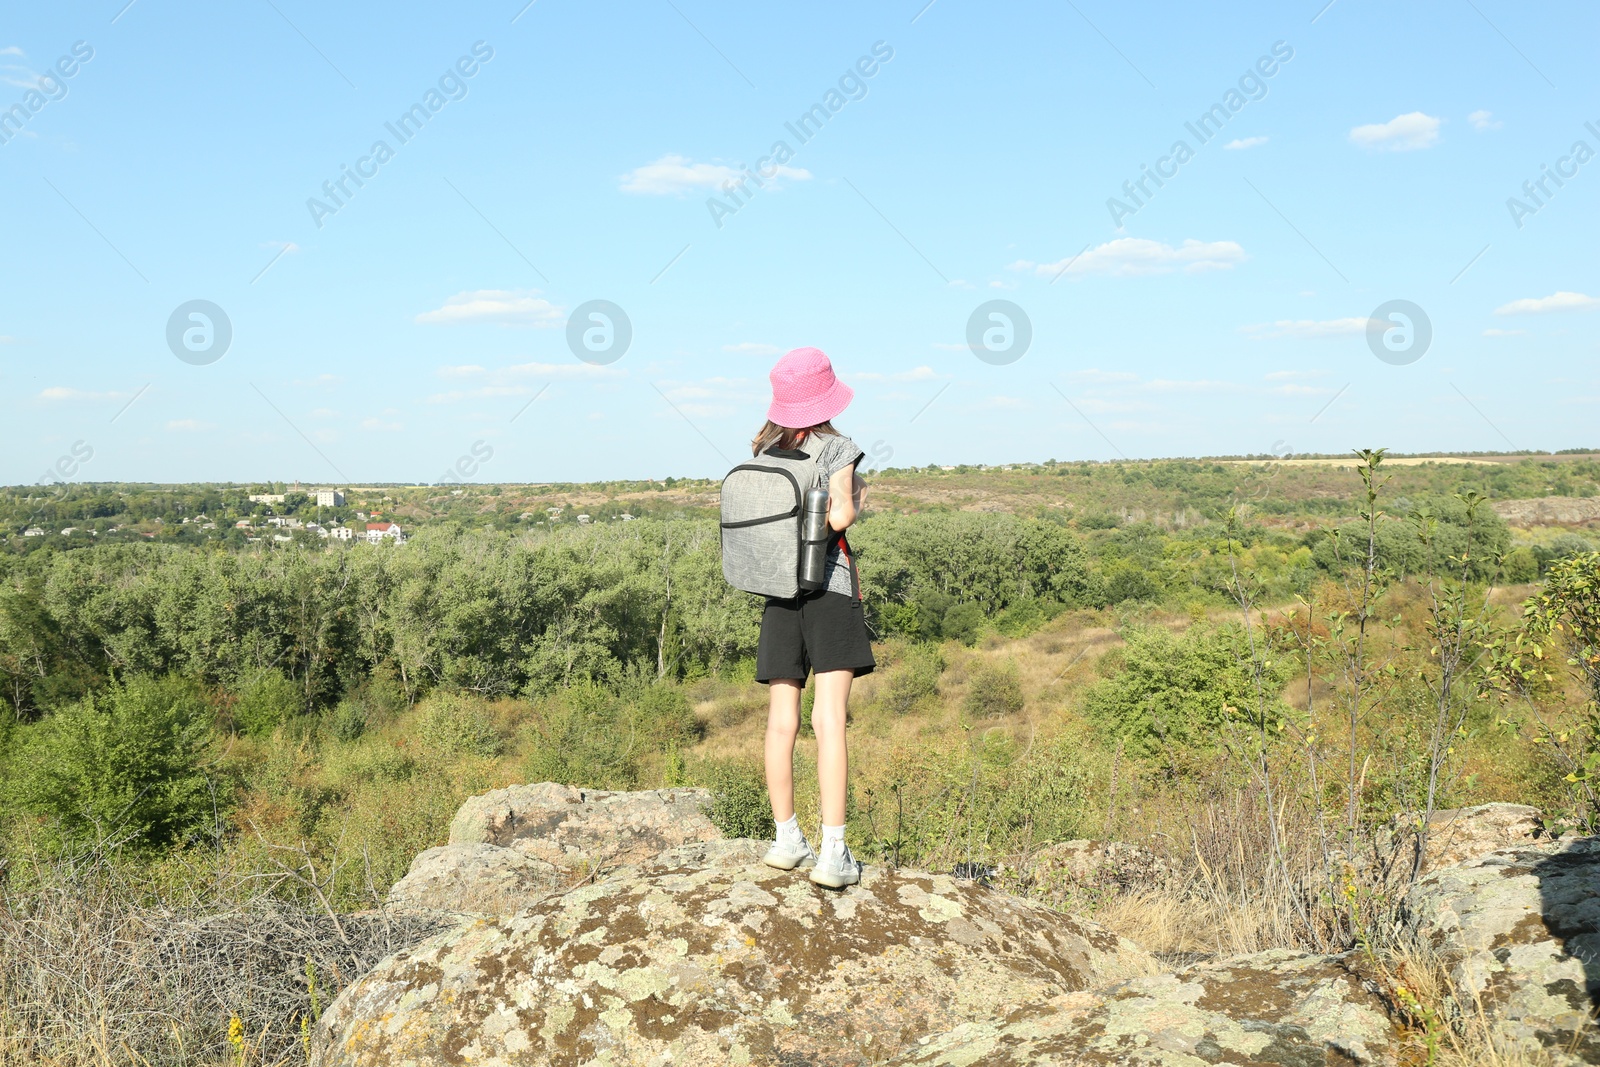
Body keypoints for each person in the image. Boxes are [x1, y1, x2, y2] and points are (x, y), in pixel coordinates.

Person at [753, 347, 874, 889]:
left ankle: (785, 839)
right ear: (826, 398)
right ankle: (833, 853)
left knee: (782, 721)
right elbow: (840, 515)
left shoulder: (764, 448)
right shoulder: (839, 446)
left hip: (778, 594)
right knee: (829, 721)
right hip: (829, 588)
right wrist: (859, 499)